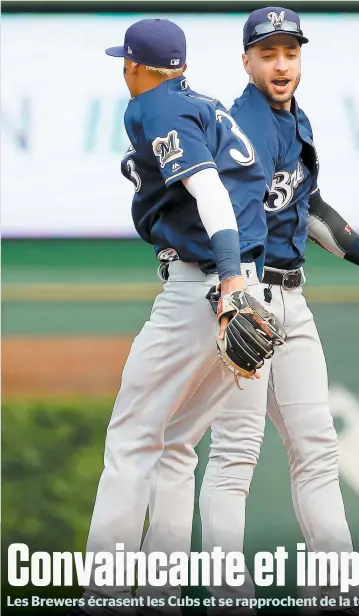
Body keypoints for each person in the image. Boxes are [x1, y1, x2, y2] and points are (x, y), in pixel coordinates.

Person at [145, 7, 359, 614]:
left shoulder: (293, 121)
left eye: (289, 53)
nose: (280, 64)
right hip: (248, 299)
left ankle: (339, 590)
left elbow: (313, 209)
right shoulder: (239, 123)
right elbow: (227, 222)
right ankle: (229, 597)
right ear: (245, 61)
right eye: (267, 53)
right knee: (235, 455)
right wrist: (232, 299)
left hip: (292, 301)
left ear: (300, 59)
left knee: (317, 446)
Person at [77, 17, 279, 615]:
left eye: (126, 61)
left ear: (136, 66)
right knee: (174, 444)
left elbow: (214, 194)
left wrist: (231, 284)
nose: (124, 70)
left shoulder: (153, 108)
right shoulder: (208, 106)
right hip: (246, 288)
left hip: (208, 291)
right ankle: (159, 593)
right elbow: (247, 187)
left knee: (131, 441)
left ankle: (105, 595)